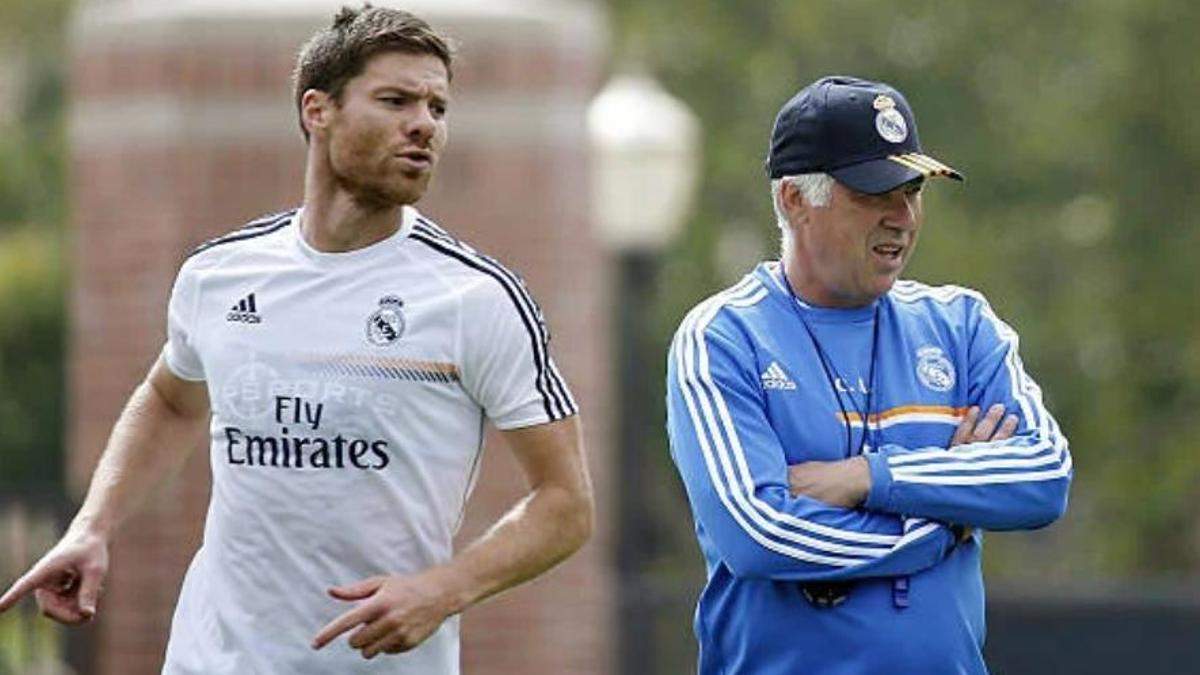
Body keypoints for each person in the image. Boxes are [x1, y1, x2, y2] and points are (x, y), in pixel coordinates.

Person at [0, 5, 593, 673]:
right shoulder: (219, 274)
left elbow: (566, 503)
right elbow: (171, 398)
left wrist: (442, 589)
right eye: (396, 100)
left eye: (437, 107)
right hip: (213, 658)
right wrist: (94, 524)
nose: (424, 124)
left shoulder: (476, 299)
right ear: (318, 110)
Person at [665, 75, 1072, 674]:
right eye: (874, 193)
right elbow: (760, 534)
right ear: (793, 200)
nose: (903, 216)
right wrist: (947, 519)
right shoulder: (723, 337)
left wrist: (867, 477)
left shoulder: (962, 325)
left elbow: (1044, 475)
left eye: (912, 190)